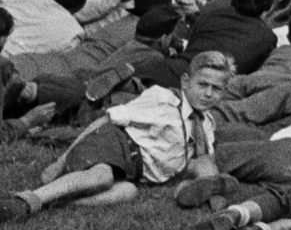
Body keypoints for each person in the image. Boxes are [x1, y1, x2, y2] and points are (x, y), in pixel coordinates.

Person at [0, 50, 234, 220]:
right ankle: (26, 201)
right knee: (102, 177)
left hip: (134, 169)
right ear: (185, 81)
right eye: (203, 85)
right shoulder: (163, 99)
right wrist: (60, 161)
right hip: (115, 141)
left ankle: (59, 201)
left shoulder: (205, 125)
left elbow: (193, 156)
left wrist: (198, 170)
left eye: (217, 89)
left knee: (127, 192)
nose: (208, 94)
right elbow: (108, 119)